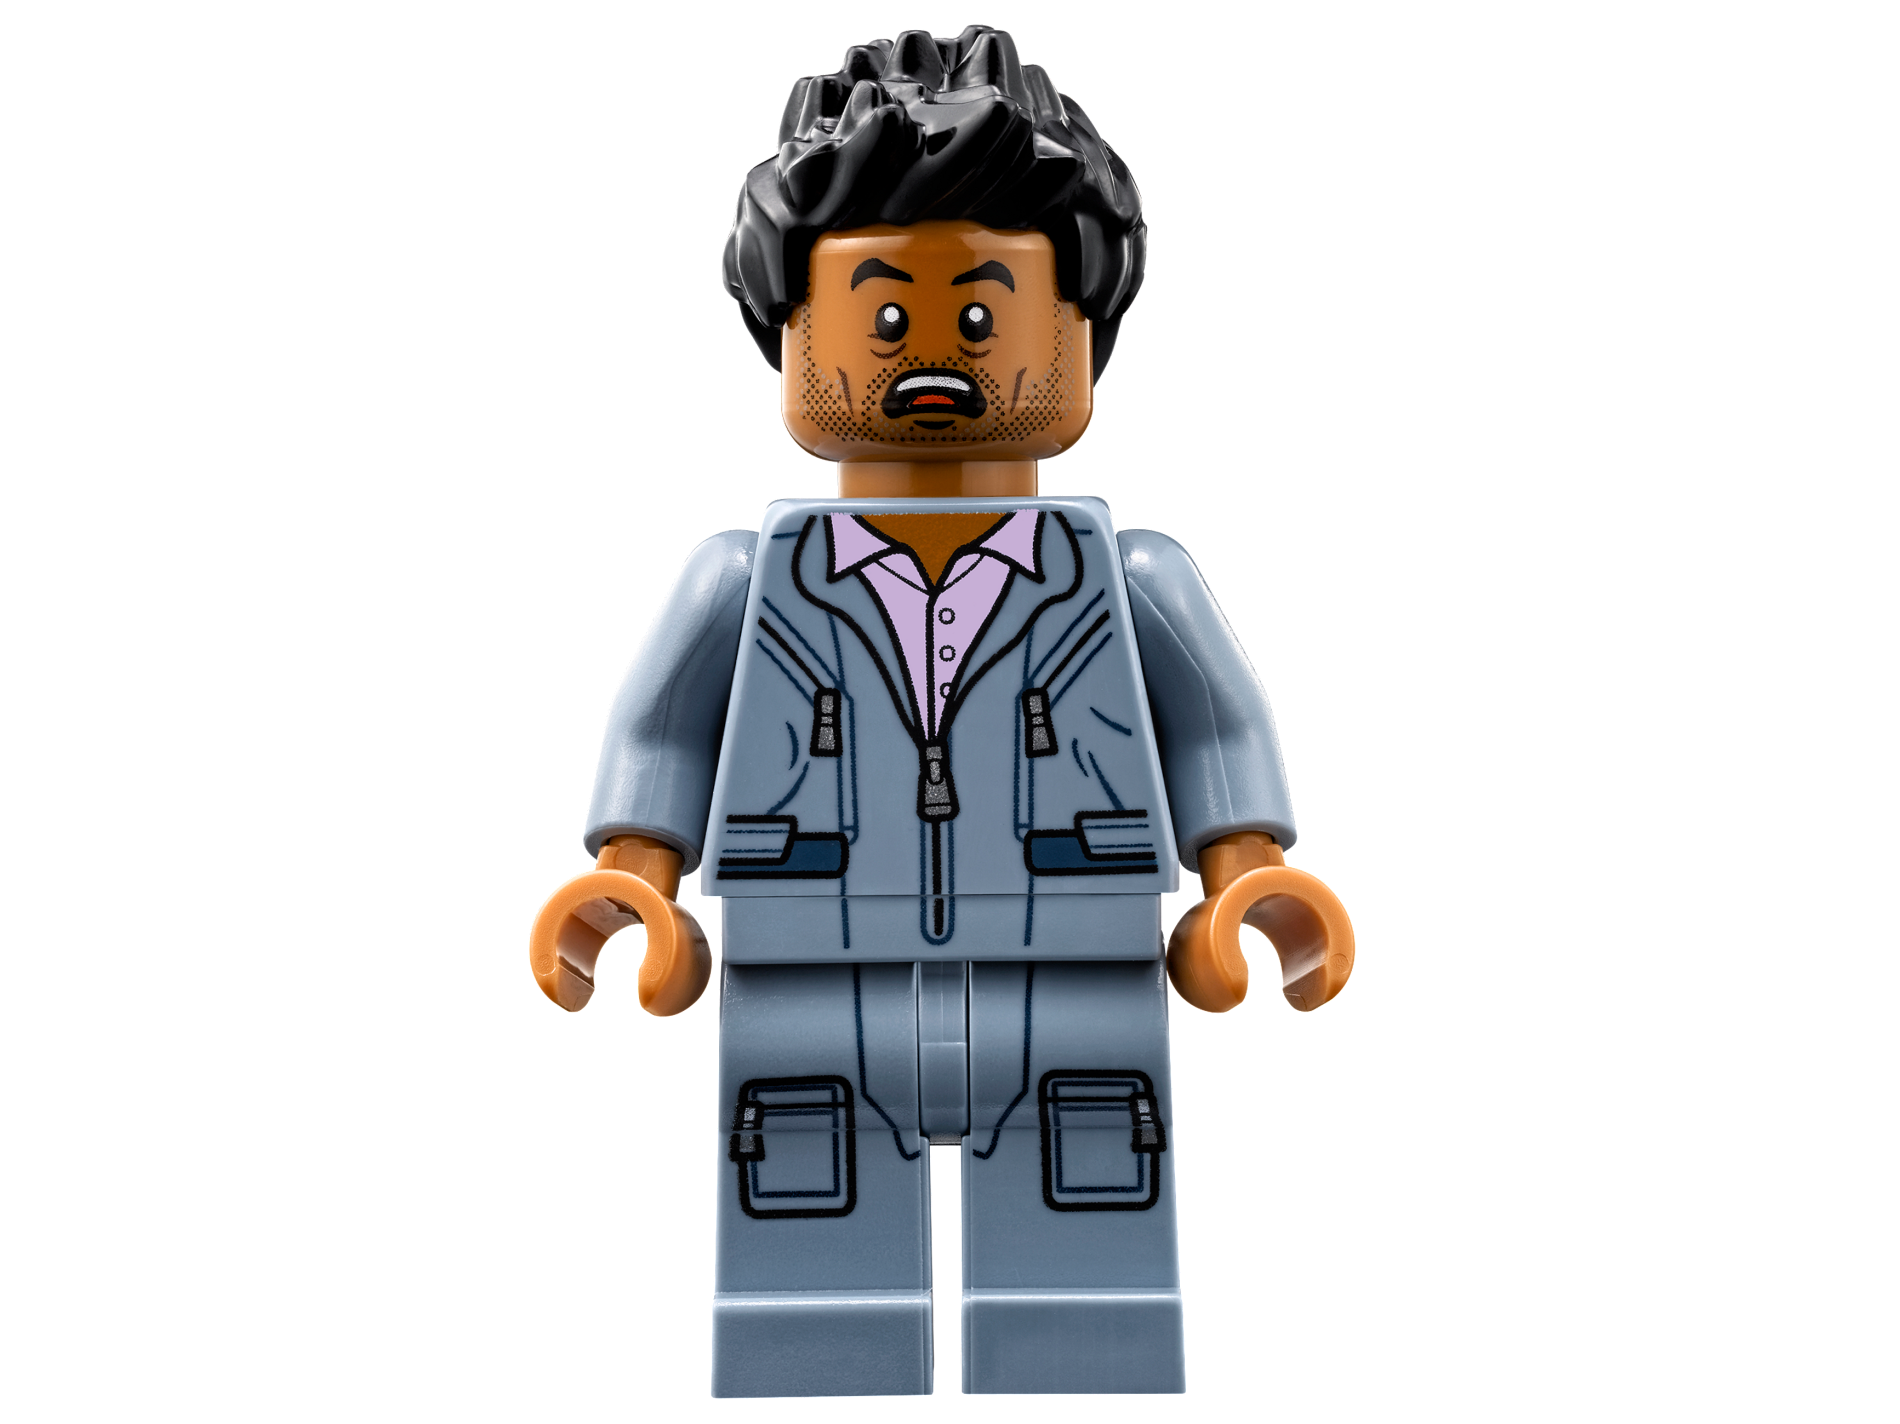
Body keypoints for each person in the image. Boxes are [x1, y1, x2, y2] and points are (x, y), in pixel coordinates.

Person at [529, 26, 1353, 1397]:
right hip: (810, 971)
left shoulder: (1130, 576)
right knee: (807, 1263)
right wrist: (631, 880)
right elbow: (663, 732)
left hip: (1073, 970)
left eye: (983, 318)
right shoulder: (745, 577)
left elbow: (1215, 729)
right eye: (880, 315)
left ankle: (1072, 1359)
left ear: (1078, 336)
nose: (931, 358)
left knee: (1088, 1262)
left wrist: (1249, 877)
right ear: (791, 332)